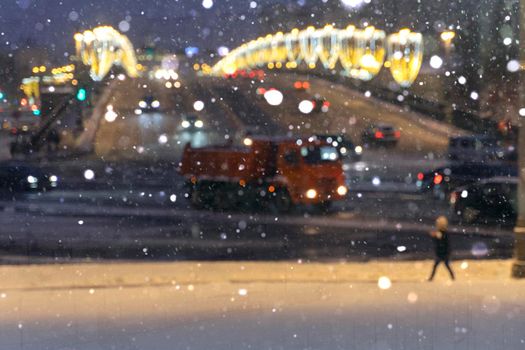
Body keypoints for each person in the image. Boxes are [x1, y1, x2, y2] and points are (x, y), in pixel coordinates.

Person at [428, 216, 455, 281]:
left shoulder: (444, 233)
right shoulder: (441, 233)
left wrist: (437, 237)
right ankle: (452, 277)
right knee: (443, 265)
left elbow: (444, 242)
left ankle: (431, 278)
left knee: (442, 265)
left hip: (443, 253)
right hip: (441, 253)